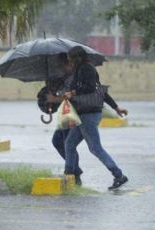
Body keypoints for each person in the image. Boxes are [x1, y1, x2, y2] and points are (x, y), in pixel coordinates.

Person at [45, 54, 127, 186]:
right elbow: (102, 93)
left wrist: (67, 95)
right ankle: (70, 174)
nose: (69, 65)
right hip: (82, 115)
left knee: (95, 148)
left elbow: (95, 91)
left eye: (70, 61)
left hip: (88, 115)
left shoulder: (86, 73)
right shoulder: (80, 75)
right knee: (69, 144)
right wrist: (117, 108)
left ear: (75, 61)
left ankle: (118, 175)